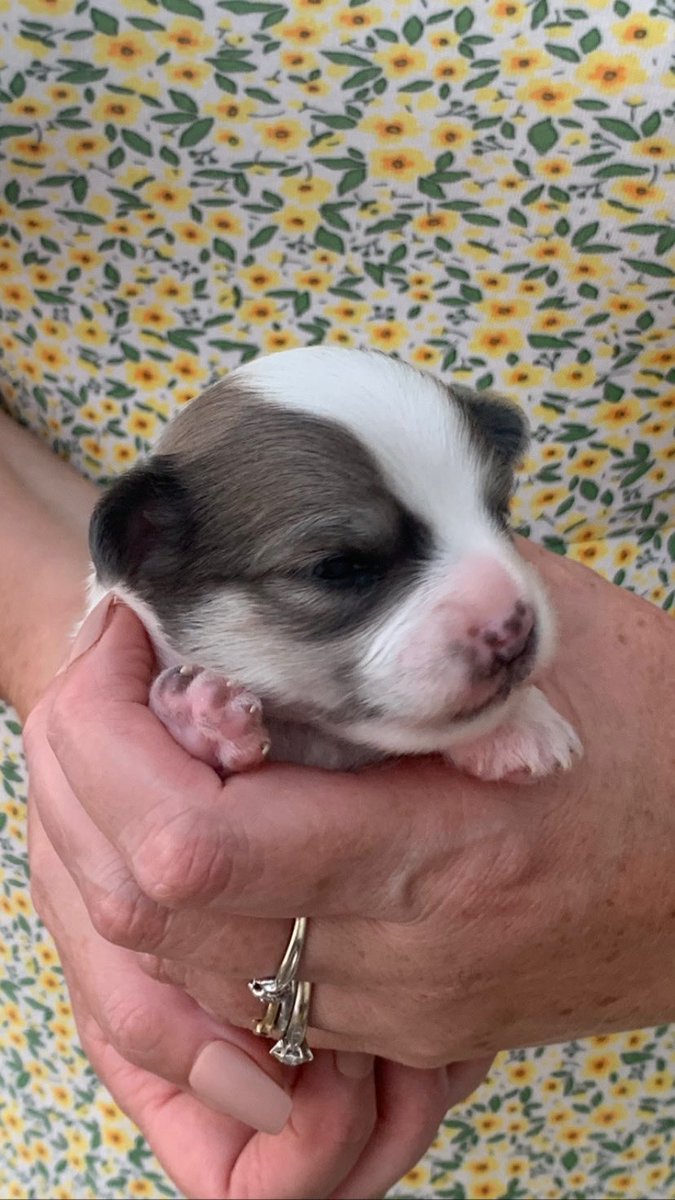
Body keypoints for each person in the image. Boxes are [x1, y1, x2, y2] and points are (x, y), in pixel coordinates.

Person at [1, 0, 673, 1196]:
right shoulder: (168, 591)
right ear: (150, 553)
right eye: (349, 569)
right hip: (100, 972)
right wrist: (89, 698)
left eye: (491, 516)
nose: (508, 606)